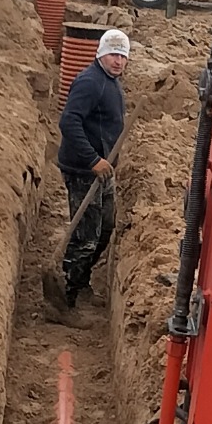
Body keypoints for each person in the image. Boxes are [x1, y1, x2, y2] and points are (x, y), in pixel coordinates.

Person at [47, 27, 129, 313]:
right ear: (101, 54)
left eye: (122, 55)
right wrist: (93, 159)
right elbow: (69, 123)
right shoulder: (90, 82)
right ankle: (65, 301)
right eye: (113, 54)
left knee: (105, 229)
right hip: (84, 170)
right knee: (86, 237)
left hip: (102, 171)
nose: (118, 61)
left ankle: (81, 283)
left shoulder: (111, 81)